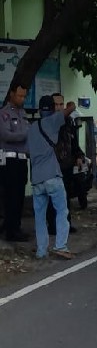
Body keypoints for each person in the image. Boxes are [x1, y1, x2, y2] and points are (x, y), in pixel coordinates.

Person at [27, 95, 77, 259]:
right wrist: (62, 108)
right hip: (52, 175)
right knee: (62, 211)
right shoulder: (54, 120)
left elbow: (27, 152)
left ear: (40, 110)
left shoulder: (32, 127)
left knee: (40, 217)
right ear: (53, 108)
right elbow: (72, 106)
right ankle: (61, 246)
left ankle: (42, 251)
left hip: (36, 179)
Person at [44, 93, 86, 235]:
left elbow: (74, 143)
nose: (58, 107)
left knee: (65, 197)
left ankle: (65, 224)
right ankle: (53, 226)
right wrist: (71, 108)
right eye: (55, 105)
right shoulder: (47, 121)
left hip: (66, 165)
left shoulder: (69, 122)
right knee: (51, 198)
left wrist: (79, 156)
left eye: (61, 104)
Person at [0, 84, 31, 242]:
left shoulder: (22, 113)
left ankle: (13, 226)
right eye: (19, 96)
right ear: (12, 94)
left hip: (22, 160)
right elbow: (6, 135)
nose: (22, 99)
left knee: (19, 195)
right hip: (9, 160)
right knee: (11, 195)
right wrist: (25, 134)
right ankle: (12, 231)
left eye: (24, 96)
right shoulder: (4, 114)